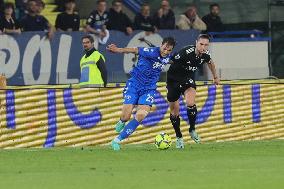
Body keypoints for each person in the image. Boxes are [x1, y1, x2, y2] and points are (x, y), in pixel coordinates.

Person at [107, 37, 176, 151]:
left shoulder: (168, 57)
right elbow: (134, 50)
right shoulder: (150, 52)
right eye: (164, 48)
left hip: (149, 89)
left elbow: (174, 60)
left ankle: (117, 140)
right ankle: (122, 121)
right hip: (134, 84)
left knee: (141, 115)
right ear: (161, 45)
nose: (165, 52)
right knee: (126, 116)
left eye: (169, 50)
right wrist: (117, 49)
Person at [166, 34, 220, 148]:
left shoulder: (205, 55)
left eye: (206, 45)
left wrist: (215, 77)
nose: (203, 47)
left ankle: (192, 129)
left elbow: (211, 63)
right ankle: (179, 136)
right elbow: (170, 61)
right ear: (196, 42)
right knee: (175, 113)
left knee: (190, 103)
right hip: (173, 80)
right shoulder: (185, 52)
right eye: (201, 44)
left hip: (187, 79)